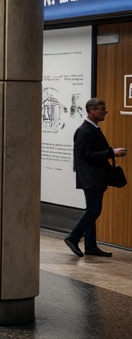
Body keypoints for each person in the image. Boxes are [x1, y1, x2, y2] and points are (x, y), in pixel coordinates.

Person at [65, 97, 127, 257]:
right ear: (91, 110)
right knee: (93, 209)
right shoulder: (84, 130)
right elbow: (84, 155)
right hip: (90, 177)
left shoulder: (93, 129)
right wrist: (111, 152)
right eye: (101, 108)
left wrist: (112, 151)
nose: (105, 111)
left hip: (96, 176)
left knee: (93, 209)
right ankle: (73, 237)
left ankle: (90, 245)